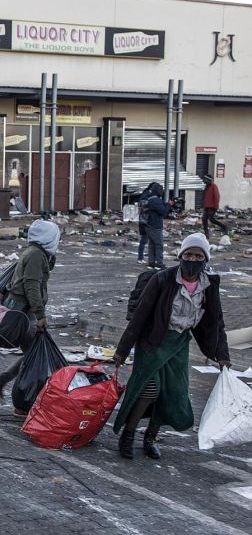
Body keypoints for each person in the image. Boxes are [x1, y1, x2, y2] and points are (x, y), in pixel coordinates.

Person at [113, 233, 230, 460]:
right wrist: (121, 351)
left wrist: (222, 355)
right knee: (149, 389)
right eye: (189, 254)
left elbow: (217, 322)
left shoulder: (208, 285)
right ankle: (127, 436)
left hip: (179, 344)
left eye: (198, 256)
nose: (193, 260)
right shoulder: (163, 279)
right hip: (153, 342)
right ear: (181, 256)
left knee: (171, 393)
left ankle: (150, 438)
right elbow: (140, 317)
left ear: (205, 260)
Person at [0, 219, 60, 416]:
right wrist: (40, 314)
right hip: (23, 311)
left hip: (23, 308)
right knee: (35, 353)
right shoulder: (35, 255)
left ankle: (4, 384)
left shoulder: (37, 253)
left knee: (33, 352)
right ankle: (21, 402)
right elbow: (32, 285)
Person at [141, 183, 170, 269]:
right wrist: (169, 204)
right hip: (155, 225)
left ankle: (151, 263)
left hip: (148, 224)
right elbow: (163, 212)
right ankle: (159, 264)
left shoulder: (148, 198)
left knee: (152, 244)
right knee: (158, 245)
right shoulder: (155, 200)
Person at [136, 182, 156, 264]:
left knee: (144, 241)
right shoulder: (148, 197)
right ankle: (141, 258)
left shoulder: (143, 195)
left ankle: (141, 258)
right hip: (147, 221)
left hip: (142, 221)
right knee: (146, 241)